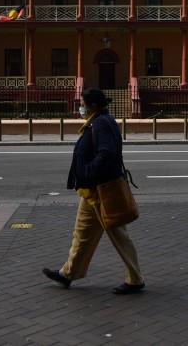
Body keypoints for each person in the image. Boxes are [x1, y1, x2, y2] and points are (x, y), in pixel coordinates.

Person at [43, 87, 145, 295]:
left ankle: (135, 279)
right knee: (82, 235)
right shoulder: (100, 120)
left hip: (101, 191)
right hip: (91, 192)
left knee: (118, 236)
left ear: (93, 106)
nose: (80, 107)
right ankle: (68, 273)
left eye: (82, 104)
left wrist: (89, 172)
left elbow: (106, 153)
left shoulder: (100, 123)